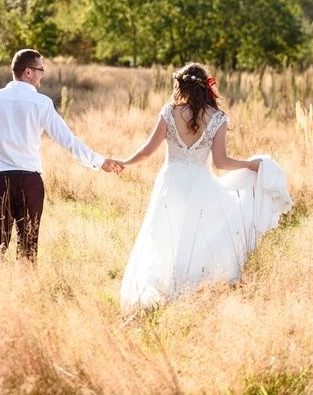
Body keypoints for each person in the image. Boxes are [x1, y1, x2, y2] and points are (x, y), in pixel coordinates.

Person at [115, 62, 292, 311]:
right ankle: (186, 288)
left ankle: (157, 288)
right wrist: (250, 165)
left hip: (170, 181)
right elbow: (221, 162)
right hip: (200, 183)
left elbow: (147, 151)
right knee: (193, 236)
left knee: (162, 235)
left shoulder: (169, 112)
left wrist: (124, 162)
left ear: (181, 86)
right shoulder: (217, 117)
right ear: (206, 86)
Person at [0, 49, 122, 261]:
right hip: (29, 183)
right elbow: (68, 140)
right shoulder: (41, 103)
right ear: (28, 72)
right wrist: (100, 161)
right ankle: (26, 289)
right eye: (41, 70)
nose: (43, 75)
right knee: (28, 248)